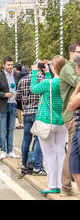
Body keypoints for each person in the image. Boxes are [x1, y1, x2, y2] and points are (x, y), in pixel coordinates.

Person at [30, 55, 67, 195]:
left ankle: (52, 185)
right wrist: (47, 73)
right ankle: (60, 184)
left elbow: (34, 88)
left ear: (53, 67)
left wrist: (34, 72)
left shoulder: (48, 83)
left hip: (47, 121)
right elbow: (52, 84)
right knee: (60, 153)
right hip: (62, 121)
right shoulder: (65, 82)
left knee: (49, 154)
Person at [16, 63, 46, 176]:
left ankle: (24, 164)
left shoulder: (22, 80)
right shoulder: (43, 79)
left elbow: (18, 97)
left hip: (27, 113)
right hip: (39, 113)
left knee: (26, 140)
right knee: (38, 140)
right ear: (39, 70)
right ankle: (37, 166)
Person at [0, 56, 21, 160]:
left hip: (13, 105)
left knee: (11, 129)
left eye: (12, 65)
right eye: (8, 65)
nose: (10, 66)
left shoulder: (17, 75)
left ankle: (10, 150)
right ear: (4, 65)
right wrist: (4, 94)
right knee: (3, 129)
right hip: (2, 105)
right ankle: (3, 150)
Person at [60, 42, 80, 196]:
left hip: (72, 114)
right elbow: (77, 82)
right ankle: (66, 186)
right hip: (71, 115)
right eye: (79, 52)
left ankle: (66, 186)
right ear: (71, 52)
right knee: (73, 152)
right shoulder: (68, 69)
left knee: (73, 152)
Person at [66, 55, 80, 199]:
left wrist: (76, 90)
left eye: (76, 67)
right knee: (74, 162)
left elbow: (71, 105)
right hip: (78, 128)